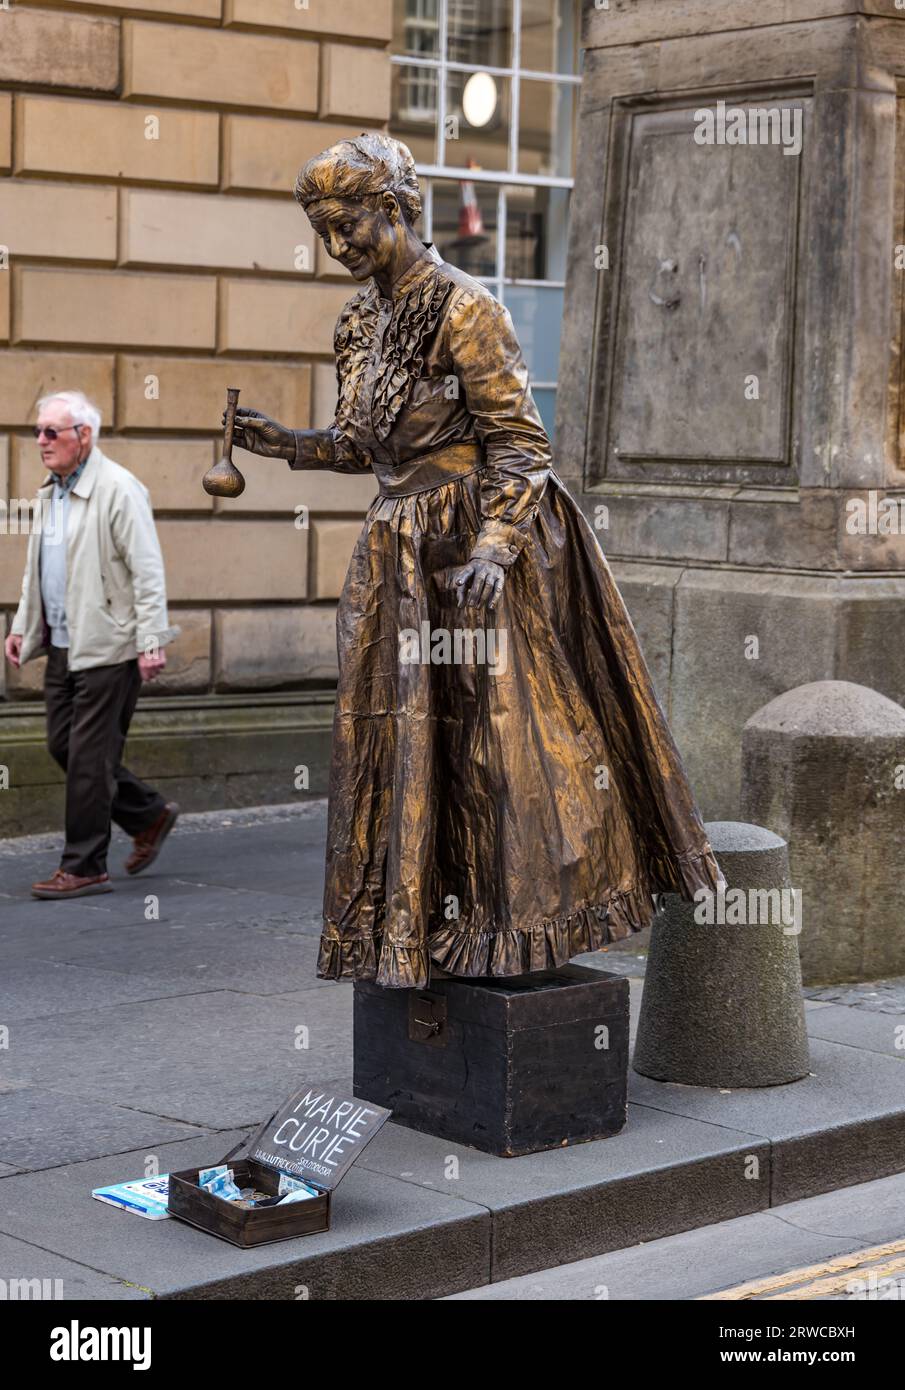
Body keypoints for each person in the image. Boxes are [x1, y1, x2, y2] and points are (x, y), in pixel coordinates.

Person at [229, 133, 724, 989]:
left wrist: (495, 547)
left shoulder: (465, 309)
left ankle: (508, 930)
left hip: (470, 548)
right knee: (402, 744)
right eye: (325, 235)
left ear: (394, 209)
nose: (339, 249)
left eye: (349, 228)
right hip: (397, 552)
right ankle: (420, 929)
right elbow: (365, 446)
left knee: (495, 753)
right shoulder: (358, 322)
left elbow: (521, 446)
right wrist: (293, 448)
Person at [4, 391, 181, 899]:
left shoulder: (120, 489)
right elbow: (36, 572)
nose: (41, 441)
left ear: (83, 435)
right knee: (64, 745)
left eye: (51, 432)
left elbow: (148, 572)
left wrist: (151, 640)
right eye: (38, 431)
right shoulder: (51, 491)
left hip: (109, 646)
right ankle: (148, 815)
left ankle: (83, 865)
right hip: (63, 643)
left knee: (88, 759)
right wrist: (21, 627)